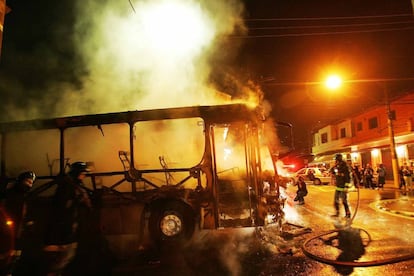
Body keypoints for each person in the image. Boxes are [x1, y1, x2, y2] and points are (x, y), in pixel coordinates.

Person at [43, 162, 92, 275]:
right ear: (77, 173)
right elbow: (64, 208)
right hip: (64, 233)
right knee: (60, 261)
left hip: (68, 232)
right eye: (83, 173)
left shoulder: (71, 186)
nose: (84, 176)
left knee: (64, 260)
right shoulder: (68, 187)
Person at [0, 171, 36, 275]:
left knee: (14, 257)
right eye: (27, 181)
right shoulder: (9, 195)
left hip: (18, 234)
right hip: (7, 233)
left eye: (31, 182)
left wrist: (29, 224)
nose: (29, 184)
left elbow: (27, 214)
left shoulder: (26, 197)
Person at [330, 154, 351, 218]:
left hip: (343, 187)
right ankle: (337, 212)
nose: (335, 161)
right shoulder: (337, 166)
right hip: (338, 186)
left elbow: (348, 177)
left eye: (336, 160)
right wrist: (334, 166)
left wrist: (346, 187)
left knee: (344, 201)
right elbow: (332, 171)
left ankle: (348, 213)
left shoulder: (345, 167)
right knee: (336, 201)